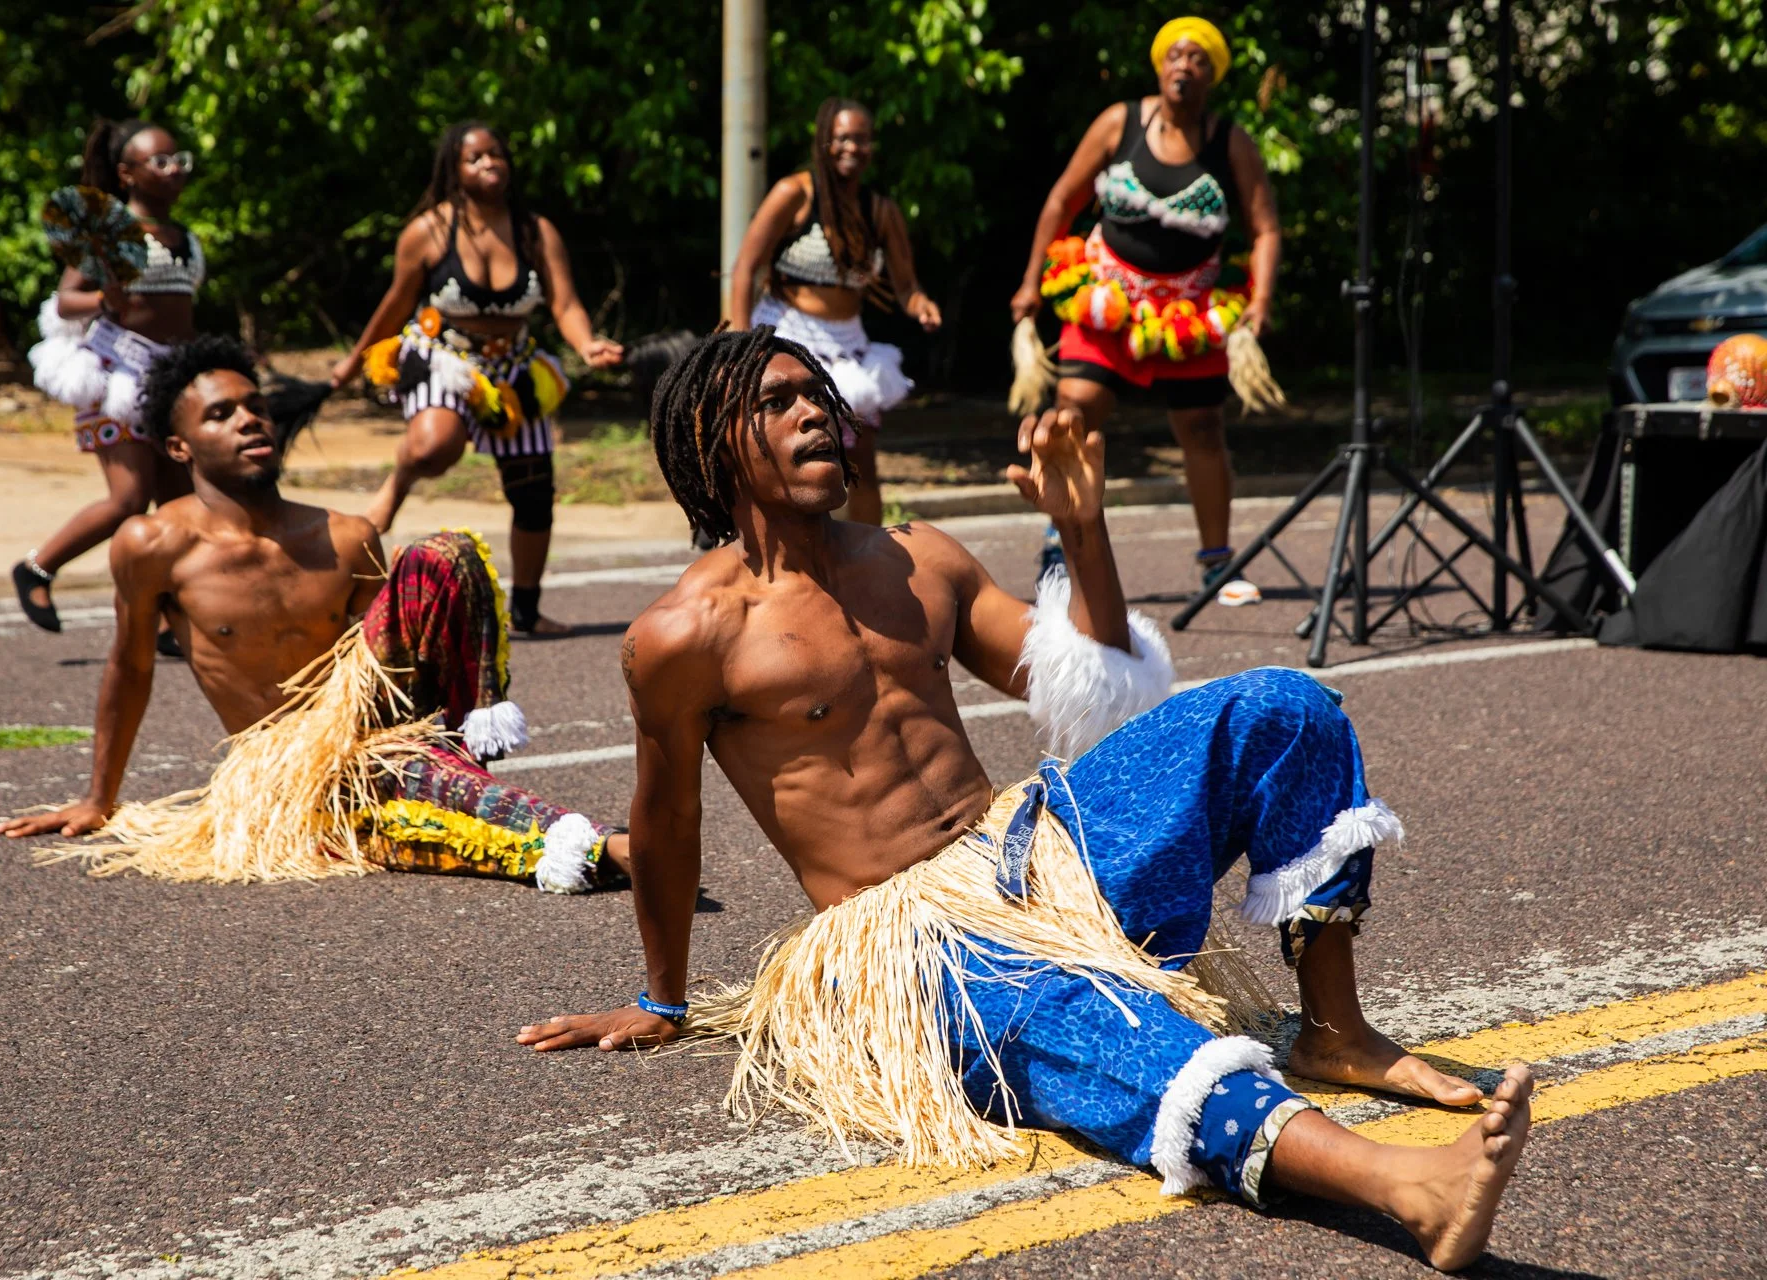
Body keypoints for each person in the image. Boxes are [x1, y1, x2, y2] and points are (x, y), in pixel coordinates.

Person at [518, 329, 1531, 1273]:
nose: (814, 413)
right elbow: (666, 822)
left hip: (1036, 857)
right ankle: (1399, 1182)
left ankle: (1335, 1029)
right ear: (712, 443)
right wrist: (662, 998)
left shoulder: (916, 557)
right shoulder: (683, 633)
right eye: (779, 403)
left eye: (819, 395)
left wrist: (1081, 532)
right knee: (1097, 1023)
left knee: (1283, 707)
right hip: (916, 943)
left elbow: (1088, 682)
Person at [0, 336, 629, 892]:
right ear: (180, 448)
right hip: (294, 778)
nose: (250, 421)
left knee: (446, 554)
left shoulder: (345, 536)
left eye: (257, 408)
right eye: (222, 414)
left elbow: (396, 668)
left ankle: (478, 771)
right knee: (416, 802)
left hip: (384, 741)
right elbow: (131, 666)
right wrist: (99, 799)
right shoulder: (153, 544)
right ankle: (599, 845)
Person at [1011, 17, 1281, 603]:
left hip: (1190, 313)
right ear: (1160, 65)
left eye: (1199, 58)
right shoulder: (1120, 122)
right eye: (1175, 55)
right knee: (1073, 411)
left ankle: (1216, 565)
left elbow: (1264, 228)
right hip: (1107, 302)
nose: (1185, 65)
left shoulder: (1229, 140)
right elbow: (1063, 199)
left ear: (1213, 75)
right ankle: (1061, 547)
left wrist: (1259, 302)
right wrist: (1031, 281)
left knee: (1203, 428)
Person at [330, 121, 625, 636]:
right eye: (475, 158)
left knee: (533, 491)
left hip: (514, 368)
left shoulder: (536, 231)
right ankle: (399, 481)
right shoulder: (428, 232)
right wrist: (354, 361)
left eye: (496, 154)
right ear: (454, 170)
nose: (490, 164)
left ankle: (528, 610)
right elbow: (395, 304)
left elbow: (565, 303)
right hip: (445, 358)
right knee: (434, 448)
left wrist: (586, 344)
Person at [19, 118, 202, 637]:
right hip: (116, 378)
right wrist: (104, 299)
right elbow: (65, 299)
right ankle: (36, 567)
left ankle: (170, 619)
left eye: (179, 161)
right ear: (127, 174)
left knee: (181, 501)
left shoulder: (186, 237)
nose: (173, 172)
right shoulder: (113, 233)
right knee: (128, 498)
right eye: (160, 163)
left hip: (169, 382)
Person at [728, 96, 942, 525]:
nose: (852, 147)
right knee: (787, 445)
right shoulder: (794, 194)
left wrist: (921, 305)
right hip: (786, 332)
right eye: (843, 138)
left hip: (849, 344)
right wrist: (736, 337)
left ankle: (868, 559)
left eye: (862, 139)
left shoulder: (880, 211)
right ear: (825, 142)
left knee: (858, 452)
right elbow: (746, 268)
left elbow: (906, 286)